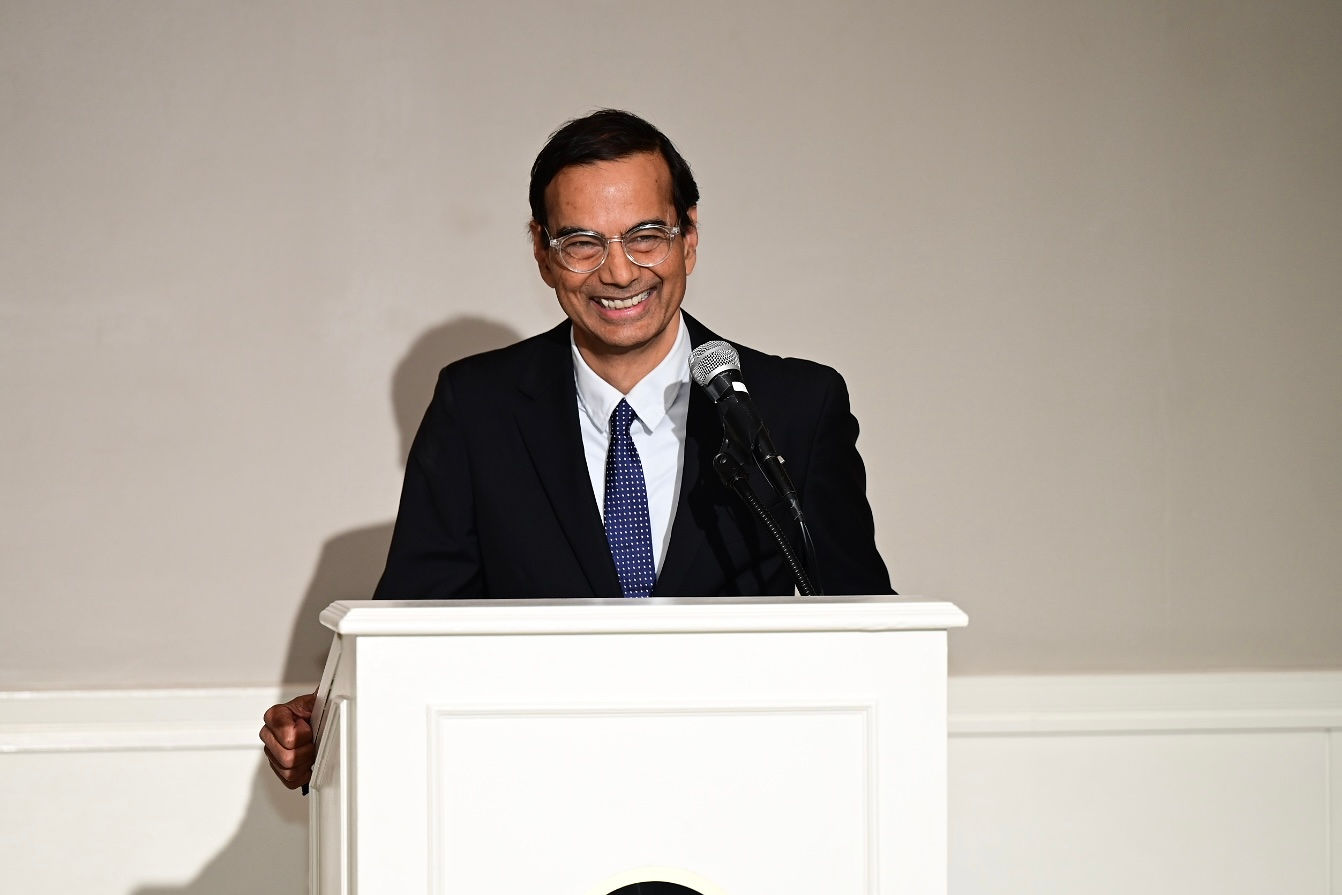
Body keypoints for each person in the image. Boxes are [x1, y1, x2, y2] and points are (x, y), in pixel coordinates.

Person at [260, 110, 892, 789]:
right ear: (541, 250)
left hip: (748, 787)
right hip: (534, 793)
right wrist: (332, 723)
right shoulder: (477, 410)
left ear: (689, 238)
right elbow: (409, 634)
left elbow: (870, 631)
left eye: (645, 236)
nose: (618, 272)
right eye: (582, 243)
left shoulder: (792, 408)